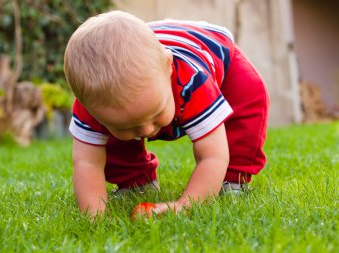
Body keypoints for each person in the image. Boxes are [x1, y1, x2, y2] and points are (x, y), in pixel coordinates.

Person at [64, 10, 269, 216]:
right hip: (157, 53)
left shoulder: (193, 81)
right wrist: (93, 217)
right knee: (112, 139)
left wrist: (186, 205)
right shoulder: (94, 102)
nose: (147, 130)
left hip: (218, 53)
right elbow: (87, 162)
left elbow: (213, 156)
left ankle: (232, 180)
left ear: (169, 68)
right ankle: (136, 182)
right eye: (127, 126)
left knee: (248, 98)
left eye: (157, 113)